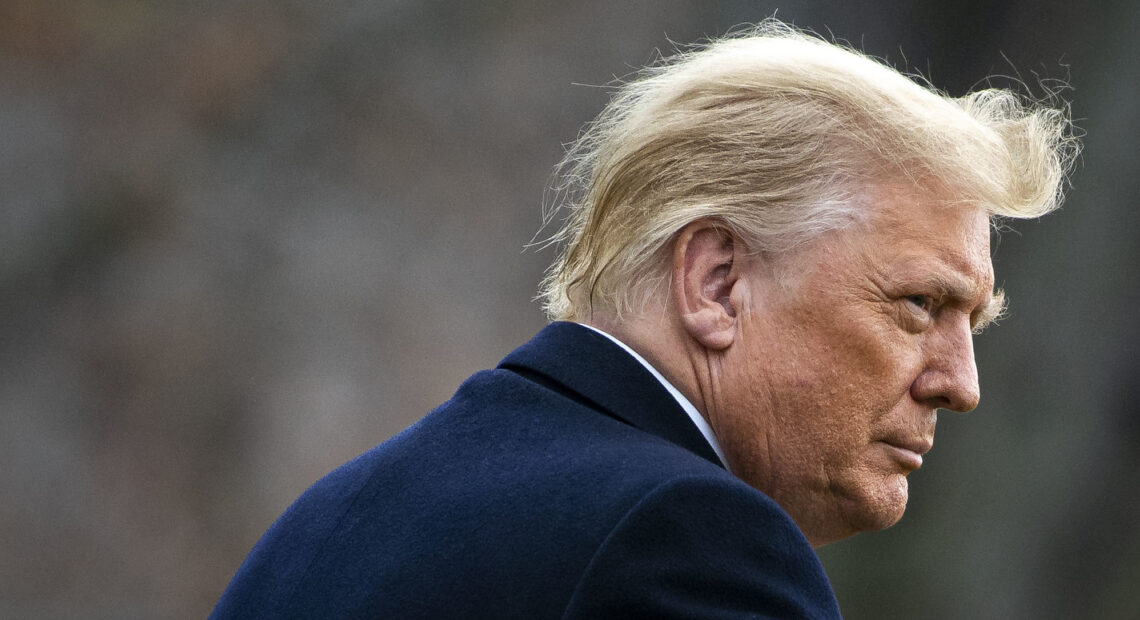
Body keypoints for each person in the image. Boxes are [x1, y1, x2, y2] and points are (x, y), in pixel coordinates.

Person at [211, 20, 1075, 619]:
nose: (959, 383)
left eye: (974, 321)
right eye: (919, 305)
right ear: (715, 281)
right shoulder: (691, 544)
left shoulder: (332, 519)